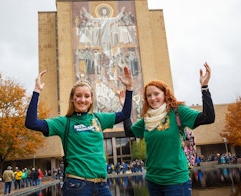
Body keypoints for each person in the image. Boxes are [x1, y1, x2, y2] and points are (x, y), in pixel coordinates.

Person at [25, 66, 133, 196]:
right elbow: (31, 123)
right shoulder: (64, 122)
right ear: (72, 98)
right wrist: (37, 91)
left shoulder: (99, 118)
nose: (83, 99)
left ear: (91, 99)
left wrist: (129, 89)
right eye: (78, 96)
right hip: (77, 185)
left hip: (101, 185)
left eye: (87, 96)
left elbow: (125, 114)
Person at [122, 62, 215, 196]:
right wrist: (125, 106)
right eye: (149, 96)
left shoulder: (178, 111)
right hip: (153, 180)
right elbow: (129, 131)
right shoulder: (147, 118)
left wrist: (204, 87)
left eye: (156, 94)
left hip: (175, 181)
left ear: (165, 94)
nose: (153, 98)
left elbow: (208, 117)